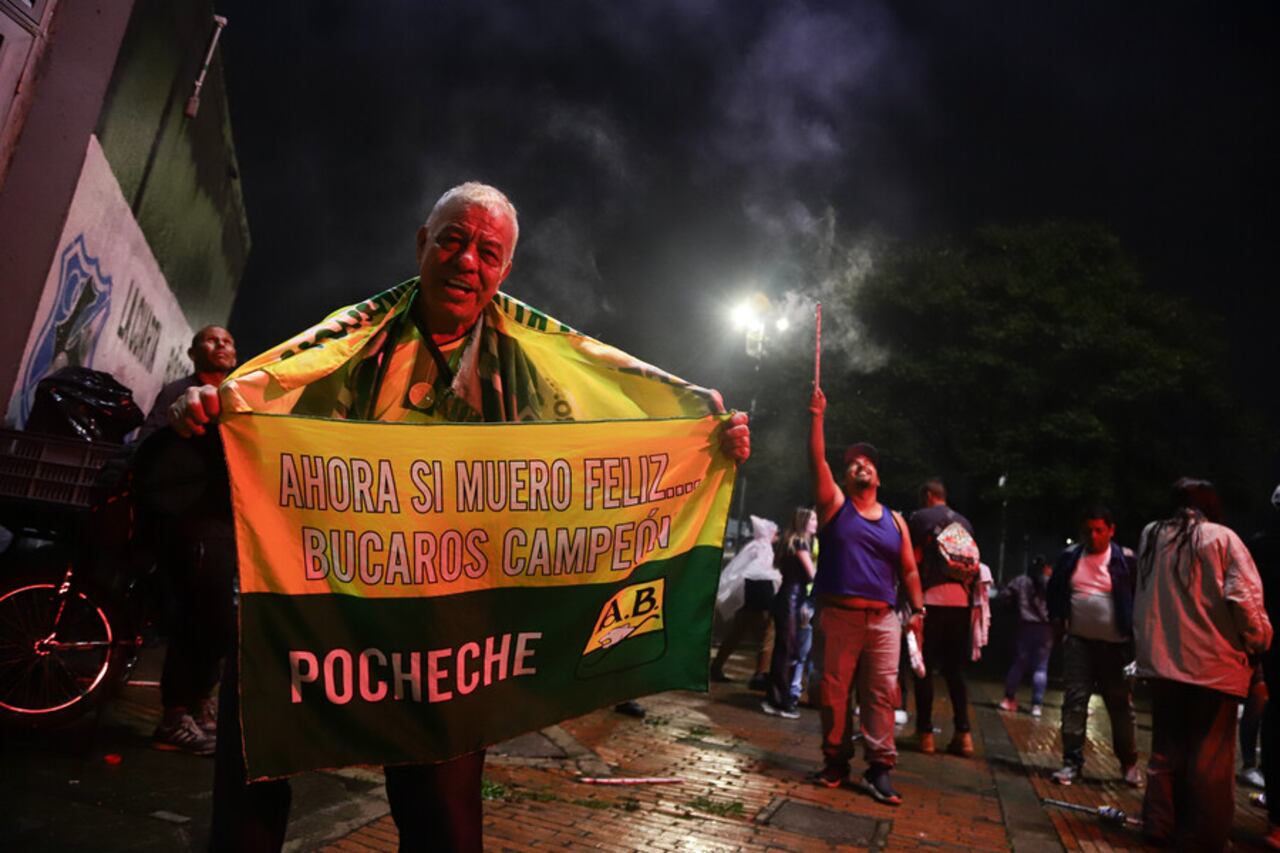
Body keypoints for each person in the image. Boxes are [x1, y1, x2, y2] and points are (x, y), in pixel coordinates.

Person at [168, 183, 751, 852]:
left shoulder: (530, 362)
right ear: (422, 243)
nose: (467, 260)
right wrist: (207, 407)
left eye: (488, 250)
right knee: (253, 765)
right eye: (452, 239)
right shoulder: (351, 338)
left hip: (441, 625)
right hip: (320, 601)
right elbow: (263, 390)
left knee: (443, 817)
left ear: (504, 271)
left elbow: (613, 421)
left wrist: (707, 440)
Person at [1135, 478, 1272, 851]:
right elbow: (1245, 601)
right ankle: (1202, 836)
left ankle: (1159, 822)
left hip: (1162, 662)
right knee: (1208, 758)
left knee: (1165, 750)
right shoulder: (1222, 539)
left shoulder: (1151, 536)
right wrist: (1260, 641)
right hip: (1213, 667)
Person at [807, 387, 924, 806]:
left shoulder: (895, 520)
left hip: (883, 621)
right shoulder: (835, 506)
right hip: (838, 616)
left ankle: (880, 769)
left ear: (878, 477)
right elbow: (816, 460)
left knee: (881, 694)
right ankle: (836, 761)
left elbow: (908, 569)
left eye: (869, 462)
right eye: (854, 462)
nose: (862, 465)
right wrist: (818, 416)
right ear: (844, 478)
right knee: (834, 693)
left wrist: (918, 612)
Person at [136, 326, 238, 755]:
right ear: (194, 352)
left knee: (217, 618)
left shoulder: (238, 399)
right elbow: (153, 452)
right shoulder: (180, 395)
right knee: (194, 616)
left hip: (224, 525)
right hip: (188, 524)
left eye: (228, 341)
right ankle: (175, 714)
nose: (222, 346)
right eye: (212, 340)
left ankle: (200, 703)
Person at [1045, 506, 1141, 787]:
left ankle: (1128, 762)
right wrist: (1058, 622)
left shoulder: (1125, 561)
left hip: (1117, 647)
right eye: (1088, 530)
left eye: (1099, 530)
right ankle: (1071, 762)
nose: (1094, 536)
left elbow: (1140, 598)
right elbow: (1055, 592)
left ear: (1111, 530)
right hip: (1079, 643)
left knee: (1120, 705)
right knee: (1074, 702)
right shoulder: (1070, 558)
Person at [908, 479, 978, 757]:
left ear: (927, 495)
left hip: (930, 601)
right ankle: (964, 735)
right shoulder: (965, 523)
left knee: (922, 667)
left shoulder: (919, 518)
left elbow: (910, 557)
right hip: (961, 603)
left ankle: (925, 734)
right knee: (954, 671)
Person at [762, 507, 818, 719]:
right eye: (813, 519)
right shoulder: (800, 543)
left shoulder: (789, 541)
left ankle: (776, 697)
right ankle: (780, 700)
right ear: (803, 521)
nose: (816, 522)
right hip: (792, 599)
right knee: (787, 650)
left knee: (784, 649)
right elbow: (811, 574)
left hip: (787, 596)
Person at [710, 515, 779, 685]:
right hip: (761, 598)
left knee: (737, 633)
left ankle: (716, 667)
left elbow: (740, 570)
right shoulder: (762, 548)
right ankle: (760, 674)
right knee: (767, 636)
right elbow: (760, 573)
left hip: (748, 599)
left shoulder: (754, 547)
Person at [1254, 483, 1280, 850]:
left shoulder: (1259, 546)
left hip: (1269, 647)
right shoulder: (1261, 547)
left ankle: (1276, 824)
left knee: (1274, 725)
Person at [996, 555, 1054, 717]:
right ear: (1046, 568)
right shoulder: (1051, 583)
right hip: (1046, 628)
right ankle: (1036, 705)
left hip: (1025, 626)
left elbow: (1004, 596)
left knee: (1019, 663)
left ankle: (1008, 699)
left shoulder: (1020, 581)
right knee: (1041, 667)